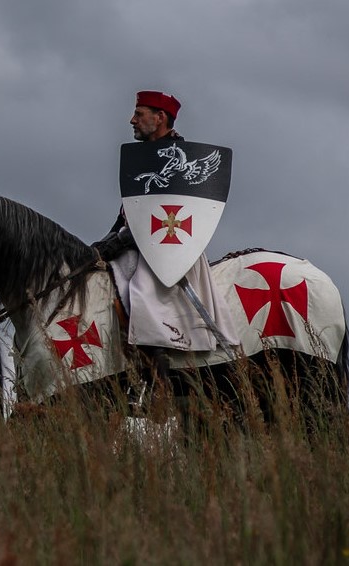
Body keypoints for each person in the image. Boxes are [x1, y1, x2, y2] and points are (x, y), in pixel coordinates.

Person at [93, 91, 238, 391]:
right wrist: (104, 244)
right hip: (139, 243)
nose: (132, 120)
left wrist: (119, 243)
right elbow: (130, 214)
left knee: (144, 293)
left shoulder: (181, 163)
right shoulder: (145, 158)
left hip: (168, 249)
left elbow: (161, 217)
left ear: (160, 118)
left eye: (140, 113)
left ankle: (156, 374)